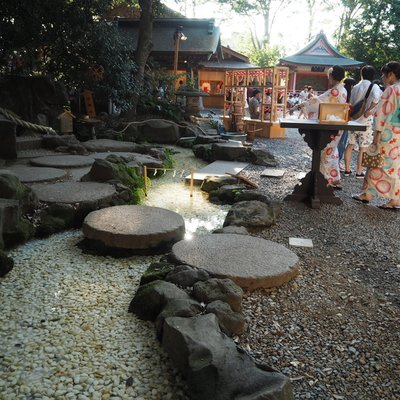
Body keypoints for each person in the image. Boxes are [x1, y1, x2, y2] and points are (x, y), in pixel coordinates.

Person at [352, 61, 400, 209]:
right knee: (395, 166)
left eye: (384, 74)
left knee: (376, 163)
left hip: (387, 131)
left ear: (391, 74)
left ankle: (367, 194)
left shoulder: (391, 89)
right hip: (398, 133)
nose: (383, 77)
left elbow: (382, 113)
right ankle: (395, 199)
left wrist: (377, 133)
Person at [290, 65, 347, 188]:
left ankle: (325, 180)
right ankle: (335, 177)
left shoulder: (334, 90)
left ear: (331, 76)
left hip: (330, 126)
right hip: (338, 124)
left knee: (325, 151)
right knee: (332, 150)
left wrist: (298, 106)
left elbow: (317, 101)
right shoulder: (343, 89)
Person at [344, 66, 382, 178]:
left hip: (353, 121)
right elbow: (377, 99)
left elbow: (351, 104)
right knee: (363, 148)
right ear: (372, 75)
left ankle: (347, 170)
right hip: (365, 122)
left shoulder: (355, 87)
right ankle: (359, 172)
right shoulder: (374, 86)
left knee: (350, 145)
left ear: (361, 74)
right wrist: (370, 111)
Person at [338, 77, 357, 165]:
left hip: (337, 120)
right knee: (342, 142)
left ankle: (336, 160)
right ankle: (338, 161)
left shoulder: (341, 93)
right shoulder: (349, 97)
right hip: (345, 121)